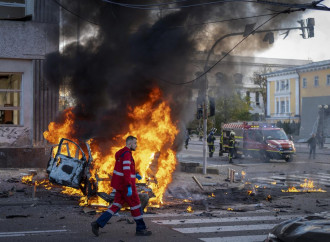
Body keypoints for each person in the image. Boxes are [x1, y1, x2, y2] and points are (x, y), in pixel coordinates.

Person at [91, 136, 152, 237]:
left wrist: (135, 174)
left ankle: (97, 224)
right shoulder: (127, 154)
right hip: (126, 186)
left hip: (120, 186)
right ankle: (141, 229)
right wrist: (129, 186)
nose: (136, 145)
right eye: (135, 143)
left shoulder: (122, 153)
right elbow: (126, 171)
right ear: (129, 144)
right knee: (136, 205)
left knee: (116, 206)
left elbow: (125, 169)